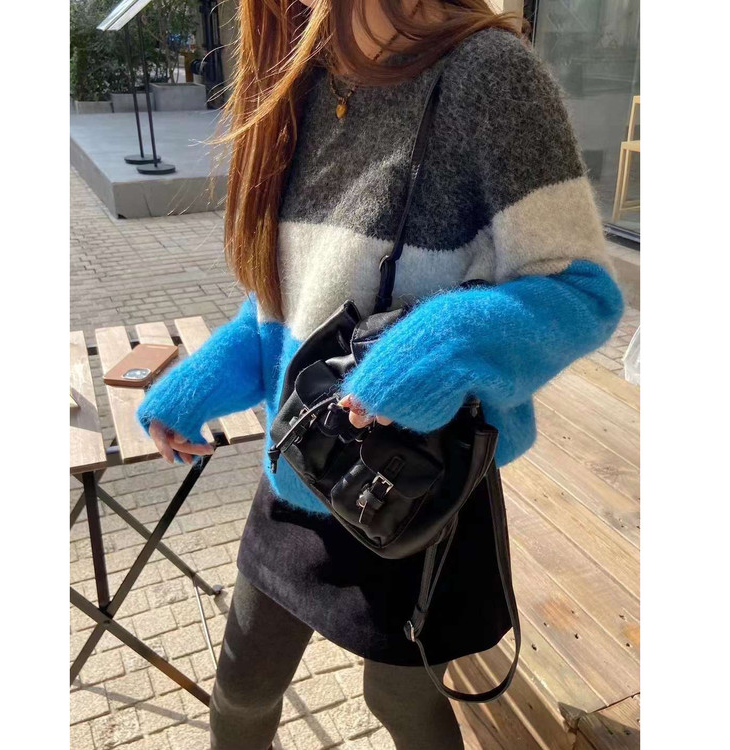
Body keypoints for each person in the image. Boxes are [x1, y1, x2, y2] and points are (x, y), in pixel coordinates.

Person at [136, 1, 625, 748]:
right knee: (240, 692)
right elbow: (285, 306)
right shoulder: (299, 84)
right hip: (298, 467)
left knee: (398, 701)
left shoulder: (490, 75)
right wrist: (196, 386)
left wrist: (437, 347)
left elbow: (582, 294)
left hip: (413, 490)